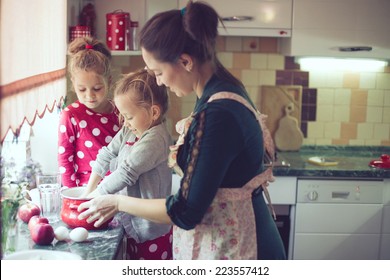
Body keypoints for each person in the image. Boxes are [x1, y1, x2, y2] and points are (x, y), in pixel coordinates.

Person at [78, 0, 286, 260]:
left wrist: (117, 202)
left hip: (243, 251)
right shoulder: (222, 90)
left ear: (185, 61)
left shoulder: (217, 114)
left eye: (158, 71)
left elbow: (185, 212)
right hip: (233, 240)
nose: (158, 81)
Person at [81, 68, 173, 260]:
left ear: (154, 112)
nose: (125, 122)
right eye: (122, 116)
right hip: (131, 223)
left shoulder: (156, 139)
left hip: (151, 230)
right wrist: (87, 193)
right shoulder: (130, 130)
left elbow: (126, 172)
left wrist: (97, 195)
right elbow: (106, 154)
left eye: (129, 117)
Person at [58, 37, 121, 188]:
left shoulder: (121, 111)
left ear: (109, 81)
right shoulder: (70, 115)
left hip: (120, 187)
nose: (89, 95)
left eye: (97, 88)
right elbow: (65, 159)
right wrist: (72, 195)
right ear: (73, 83)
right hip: (86, 190)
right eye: (82, 89)